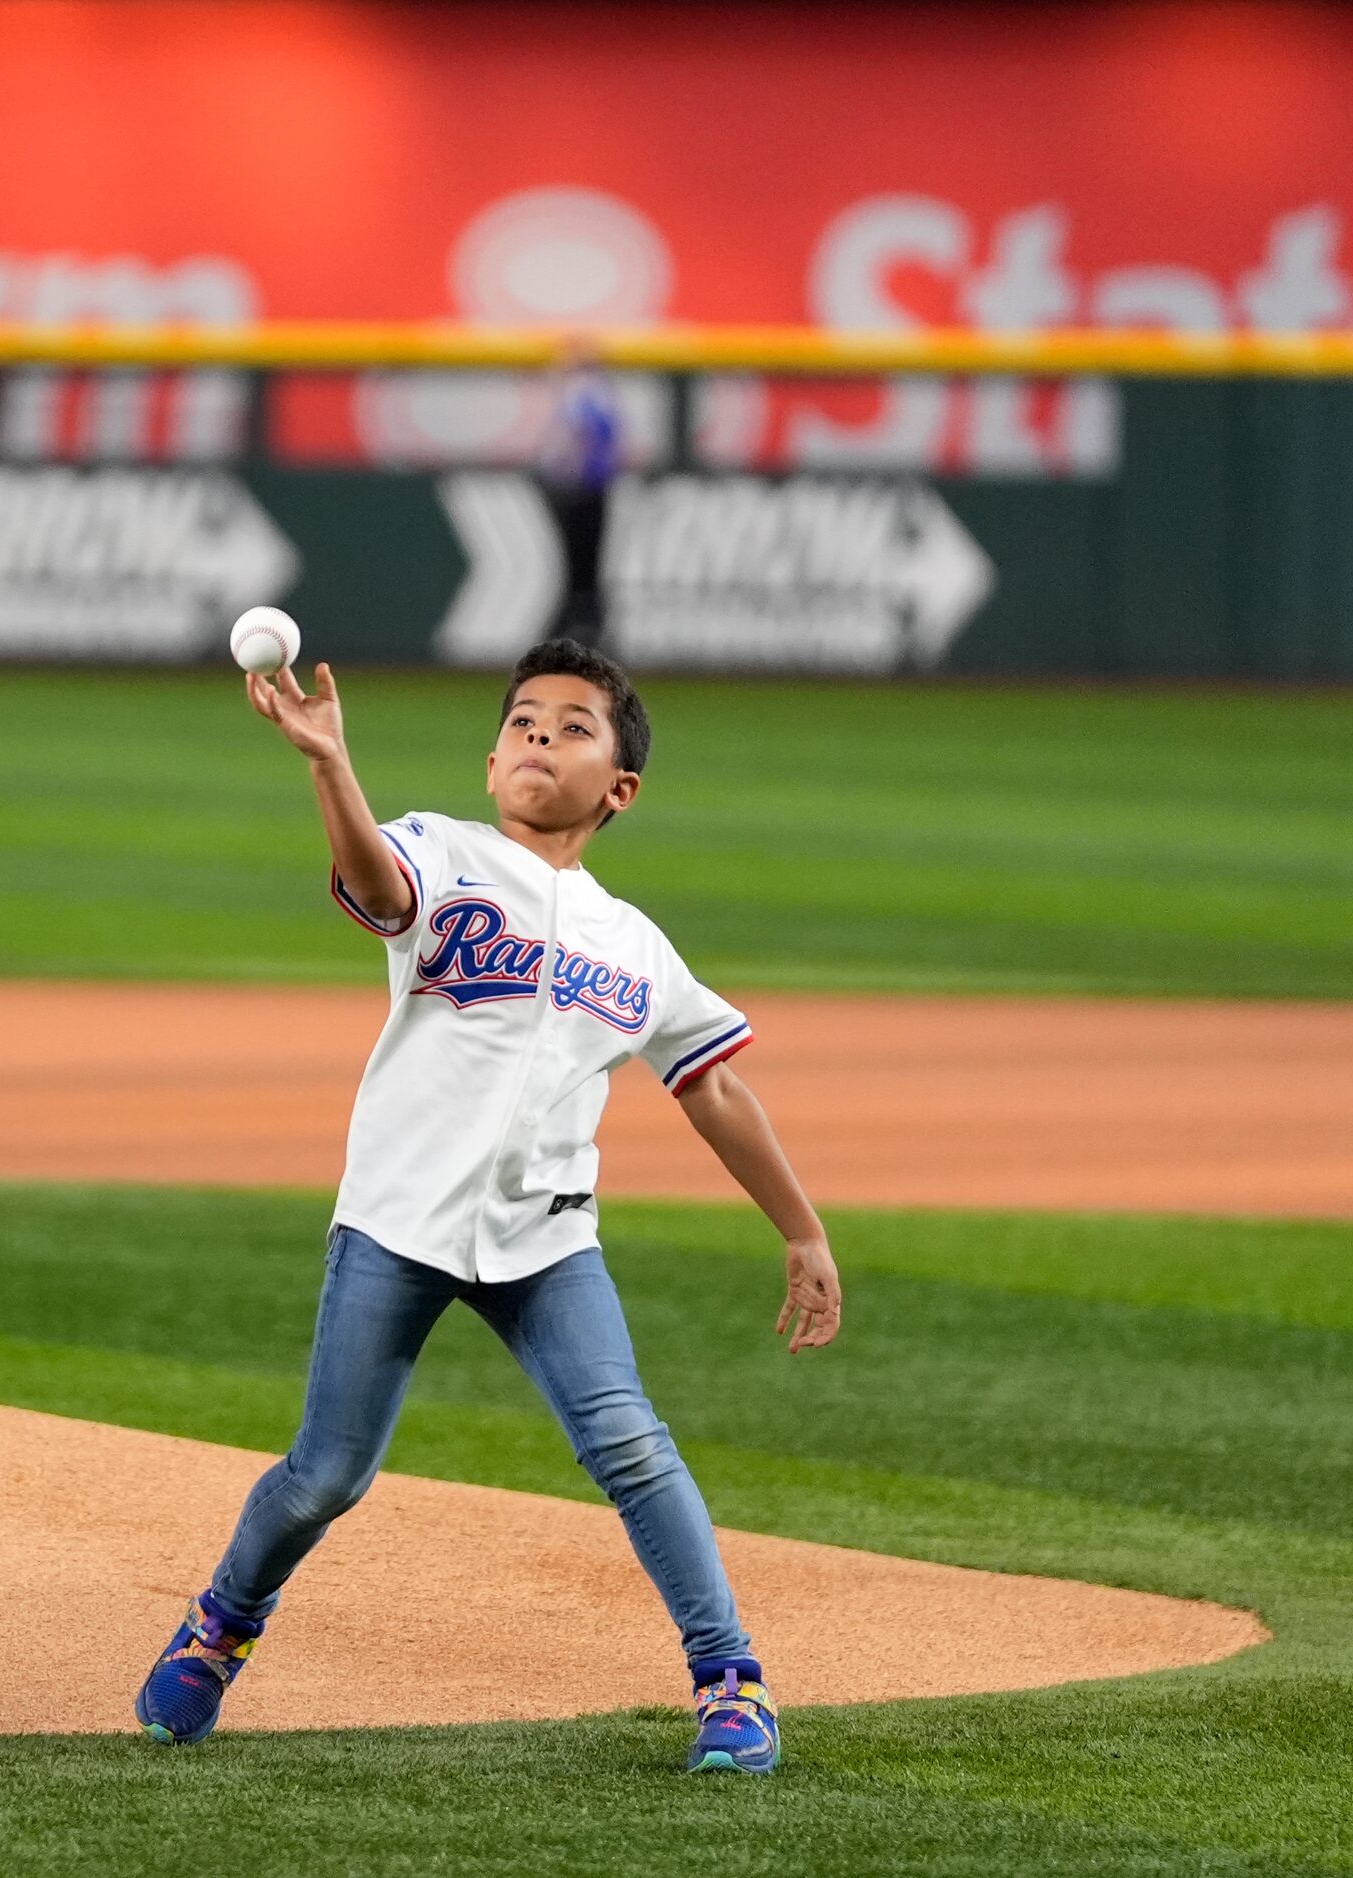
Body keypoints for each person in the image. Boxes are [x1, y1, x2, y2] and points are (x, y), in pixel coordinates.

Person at [131, 639, 843, 1776]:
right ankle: (220, 1626)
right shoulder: (440, 853)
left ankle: (731, 1682)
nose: (539, 740)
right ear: (489, 756)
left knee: (630, 1444)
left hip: (547, 1242)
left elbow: (711, 1082)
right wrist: (327, 766)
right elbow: (375, 884)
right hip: (396, 1224)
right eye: (522, 723)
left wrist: (800, 1230)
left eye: (571, 728)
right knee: (328, 1474)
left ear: (619, 788)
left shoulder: (635, 946)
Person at [531, 345, 621, 646]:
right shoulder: (595, 392)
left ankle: (581, 626)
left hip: (582, 491)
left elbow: (579, 443)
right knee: (584, 566)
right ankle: (585, 623)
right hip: (589, 489)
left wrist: (564, 476)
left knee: (581, 564)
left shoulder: (584, 392)